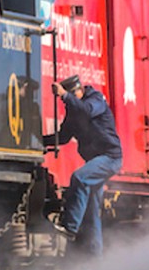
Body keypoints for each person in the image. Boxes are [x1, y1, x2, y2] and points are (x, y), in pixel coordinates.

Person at [43, 74, 123, 256]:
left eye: (71, 97)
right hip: (96, 160)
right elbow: (62, 137)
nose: (68, 104)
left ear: (78, 91)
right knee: (92, 209)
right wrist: (37, 141)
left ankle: (70, 227)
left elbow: (87, 110)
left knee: (80, 178)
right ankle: (96, 257)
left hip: (109, 157)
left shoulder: (96, 100)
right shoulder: (74, 113)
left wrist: (64, 95)